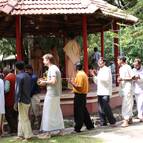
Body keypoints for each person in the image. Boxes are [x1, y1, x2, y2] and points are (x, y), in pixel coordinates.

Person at [38, 54, 64, 138]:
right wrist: (45, 80)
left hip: (52, 94)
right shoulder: (54, 68)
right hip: (55, 94)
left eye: (44, 60)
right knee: (56, 112)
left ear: (48, 60)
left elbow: (53, 81)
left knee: (47, 112)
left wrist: (44, 82)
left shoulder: (52, 69)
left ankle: (47, 133)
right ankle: (61, 130)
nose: (43, 61)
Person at [68, 62, 94, 132]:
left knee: (79, 112)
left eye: (74, 67)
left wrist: (71, 82)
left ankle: (77, 128)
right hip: (82, 95)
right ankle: (90, 125)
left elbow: (79, 86)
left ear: (76, 67)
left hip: (79, 95)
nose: (73, 68)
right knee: (84, 111)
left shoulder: (80, 75)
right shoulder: (83, 74)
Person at [90, 58, 116, 126]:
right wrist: (94, 75)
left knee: (106, 107)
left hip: (105, 91)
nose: (99, 63)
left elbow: (106, 80)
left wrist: (97, 76)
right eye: (98, 61)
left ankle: (112, 121)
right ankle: (103, 122)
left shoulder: (107, 69)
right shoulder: (100, 70)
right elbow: (97, 82)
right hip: (100, 91)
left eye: (100, 61)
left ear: (104, 63)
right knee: (100, 108)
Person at [14, 61, 33, 141]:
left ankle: (28, 136)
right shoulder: (28, 76)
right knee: (21, 118)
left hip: (22, 100)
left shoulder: (19, 76)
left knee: (24, 118)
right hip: (27, 99)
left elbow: (18, 91)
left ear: (16, 68)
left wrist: (15, 102)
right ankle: (20, 134)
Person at [118, 56, 135, 127]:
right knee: (128, 102)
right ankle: (130, 118)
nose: (117, 61)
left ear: (121, 60)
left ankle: (126, 120)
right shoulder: (121, 68)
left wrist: (123, 79)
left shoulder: (128, 67)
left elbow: (132, 77)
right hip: (123, 87)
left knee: (126, 103)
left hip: (128, 87)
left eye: (118, 60)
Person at [25, 65, 41, 129]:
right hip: (31, 96)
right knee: (31, 112)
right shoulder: (30, 77)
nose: (26, 72)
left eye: (27, 70)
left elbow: (32, 88)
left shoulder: (33, 77)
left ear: (30, 70)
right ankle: (32, 127)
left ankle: (39, 126)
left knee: (37, 112)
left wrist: (28, 95)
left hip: (34, 96)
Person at [3, 67, 18, 134]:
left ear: (5, 73)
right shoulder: (15, 76)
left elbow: (6, 90)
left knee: (9, 116)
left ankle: (13, 130)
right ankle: (15, 129)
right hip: (15, 99)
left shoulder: (7, 78)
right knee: (15, 115)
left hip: (9, 100)